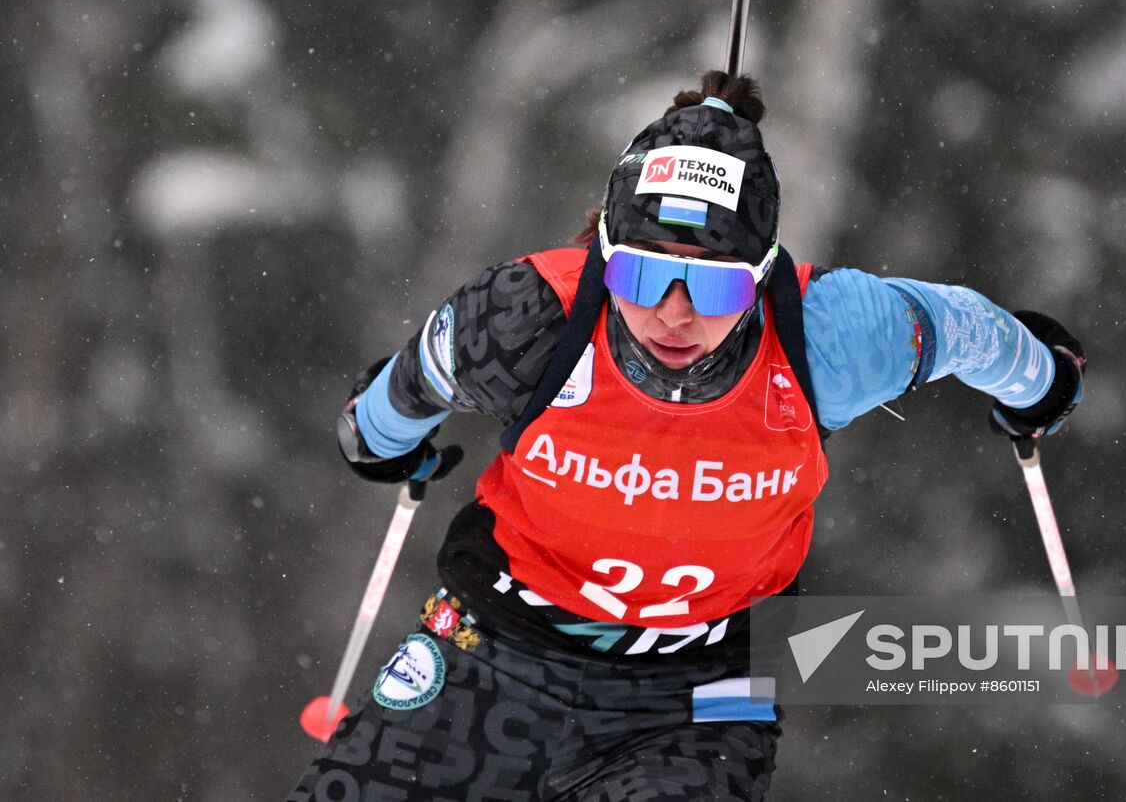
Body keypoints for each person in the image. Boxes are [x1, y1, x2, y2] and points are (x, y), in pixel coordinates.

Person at [286, 70, 1085, 802]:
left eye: (713, 281)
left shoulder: (832, 336)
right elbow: (400, 395)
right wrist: (379, 442)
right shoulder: (524, 319)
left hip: (702, 695)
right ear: (603, 250)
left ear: (763, 272)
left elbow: (968, 330)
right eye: (641, 272)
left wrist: (1041, 383)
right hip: (490, 651)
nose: (673, 311)